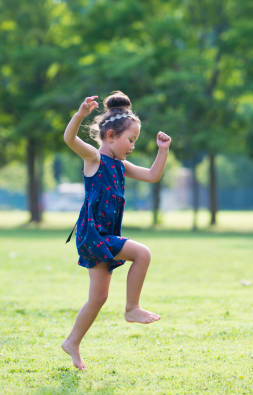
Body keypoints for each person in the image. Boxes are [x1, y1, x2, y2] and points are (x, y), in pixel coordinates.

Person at [61, 91, 171, 370]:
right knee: (142, 253)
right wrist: (80, 115)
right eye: (130, 140)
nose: (133, 146)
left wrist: (163, 150)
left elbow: (152, 175)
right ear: (110, 135)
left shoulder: (122, 166)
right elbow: (69, 139)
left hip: (102, 236)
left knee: (98, 297)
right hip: (95, 235)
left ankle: (71, 342)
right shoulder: (94, 159)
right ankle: (132, 308)